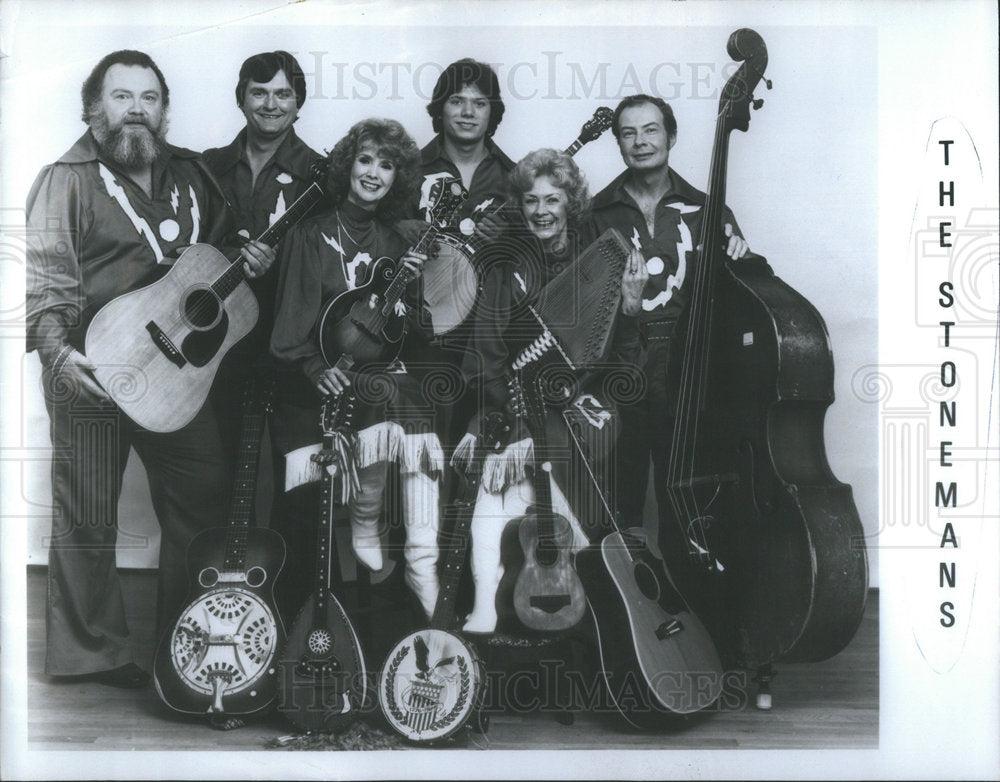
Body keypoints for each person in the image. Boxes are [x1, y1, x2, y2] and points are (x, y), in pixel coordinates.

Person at [25, 50, 273, 687]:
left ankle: (186, 647)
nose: (136, 109)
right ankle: (90, 655)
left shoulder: (190, 172)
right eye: (122, 96)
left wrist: (248, 259)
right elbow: (45, 277)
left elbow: (220, 253)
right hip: (90, 368)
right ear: (93, 108)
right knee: (87, 514)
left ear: (164, 110)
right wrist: (57, 352)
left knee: (205, 493)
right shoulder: (66, 179)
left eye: (149, 97)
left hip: (174, 375)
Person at [458, 148, 647, 633]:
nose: (541, 211)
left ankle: (585, 600)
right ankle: (487, 602)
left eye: (552, 200)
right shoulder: (505, 269)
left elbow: (624, 368)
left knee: (558, 456)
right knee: (496, 485)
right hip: (513, 402)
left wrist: (630, 308)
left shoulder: (600, 264)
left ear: (570, 204)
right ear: (520, 206)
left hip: (581, 408)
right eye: (531, 201)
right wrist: (518, 414)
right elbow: (484, 359)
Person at [586, 93, 749, 636]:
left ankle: (705, 633)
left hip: (690, 373)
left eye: (651, 130)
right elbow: (585, 308)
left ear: (671, 136)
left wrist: (742, 256)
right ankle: (632, 638)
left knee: (692, 507)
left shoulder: (708, 209)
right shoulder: (597, 214)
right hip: (622, 371)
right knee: (619, 506)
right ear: (618, 142)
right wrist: (626, 308)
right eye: (628, 133)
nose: (640, 142)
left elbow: (735, 300)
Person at [269, 118, 441, 622]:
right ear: (347, 166)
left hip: (374, 377)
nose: (373, 173)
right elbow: (289, 328)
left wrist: (410, 289)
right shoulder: (309, 234)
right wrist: (313, 367)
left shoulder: (396, 241)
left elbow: (411, 332)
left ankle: (416, 558)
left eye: (386, 165)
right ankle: (365, 524)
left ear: (397, 178)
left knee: (414, 396)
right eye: (365, 160)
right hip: (317, 382)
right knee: (392, 394)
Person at [202, 51, 323, 466]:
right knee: (222, 466)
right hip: (217, 340)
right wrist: (232, 256)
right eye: (259, 92)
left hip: (291, 341)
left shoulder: (322, 174)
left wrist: (282, 264)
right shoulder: (208, 166)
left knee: (296, 472)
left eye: (283, 94)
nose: (271, 104)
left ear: (298, 102)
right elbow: (189, 244)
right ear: (241, 98)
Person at [395, 59, 517, 463]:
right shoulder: (409, 170)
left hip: (489, 341)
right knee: (420, 458)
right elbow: (375, 229)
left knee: (477, 460)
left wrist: (508, 239)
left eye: (479, 103)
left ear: (493, 112)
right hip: (422, 336)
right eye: (456, 101)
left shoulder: (513, 177)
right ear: (439, 108)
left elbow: (537, 253)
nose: (467, 112)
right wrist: (401, 228)